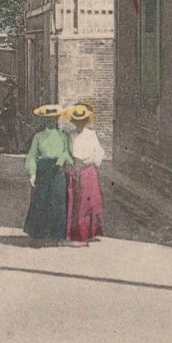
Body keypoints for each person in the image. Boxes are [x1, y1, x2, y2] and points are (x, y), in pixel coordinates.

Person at [23, 104, 73, 244]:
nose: (51, 121)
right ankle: (39, 232)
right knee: (41, 199)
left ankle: (56, 234)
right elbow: (32, 155)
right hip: (43, 170)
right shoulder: (38, 137)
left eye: (54, 118)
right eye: (48, 119)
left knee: (57, 200)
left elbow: (68, 153)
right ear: (44, 120)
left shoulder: (64, 136)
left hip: (58, 171)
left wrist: (63, 157)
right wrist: (32, 173)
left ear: (57, 119)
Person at [62, 104, 105, 243]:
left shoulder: (91, 135)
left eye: (82, 121)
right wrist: (70, 164)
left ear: (86, 121)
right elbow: (67, 153)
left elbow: (98, 152)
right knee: (75, 201)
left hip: (88, 171)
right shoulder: (70, 136)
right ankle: (75, 233)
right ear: (74, 122)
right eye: (77, 121)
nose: (80, 124)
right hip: (75, 170)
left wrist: (91, 160)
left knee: (88, 202)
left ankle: (87, 232)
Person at [0, 85, 22, 154]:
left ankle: (17, 149)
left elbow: (14, 108)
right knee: (6, 132)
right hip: (7, 116)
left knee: (14, 132)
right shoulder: (8, 96)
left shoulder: (14, 98)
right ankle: (8, 148)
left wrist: (7, 108)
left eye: (9, 89)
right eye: (8, 89)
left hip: (12, 116)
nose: (8, 90)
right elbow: (4, 103)